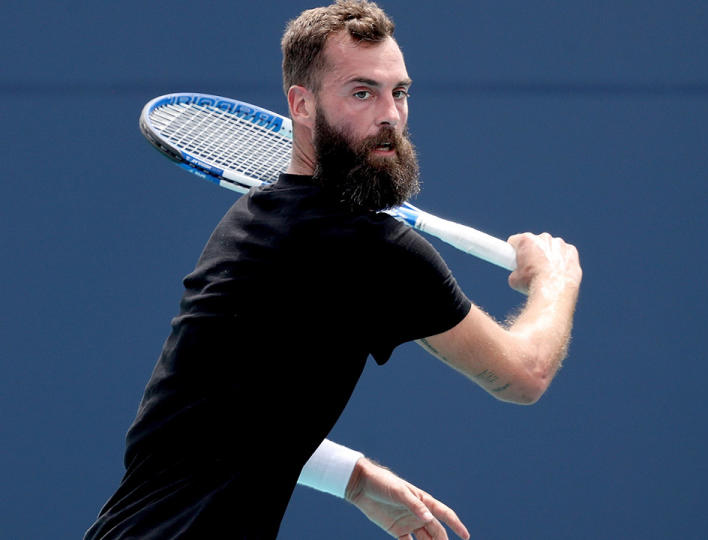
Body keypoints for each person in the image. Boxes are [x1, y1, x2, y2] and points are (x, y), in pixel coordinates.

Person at [85, 1, 581, 538]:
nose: (389, 115)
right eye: (362, 93)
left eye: (400, 92)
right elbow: (523, 376)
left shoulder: (254, 222)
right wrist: (556, 279)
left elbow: (214, 419)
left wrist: (353, 476)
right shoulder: (374, 251)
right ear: (302, 104)